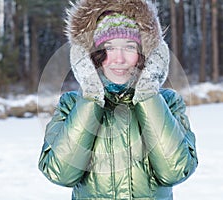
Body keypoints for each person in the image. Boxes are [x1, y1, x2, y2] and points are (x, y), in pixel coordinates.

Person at [38, 0, 198, 199]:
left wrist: (147, 93)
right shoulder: (71, 104)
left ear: (143, 54)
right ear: (93, 55)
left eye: (130, 47)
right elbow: (60, 173)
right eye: (109, 47)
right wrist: (91, 97)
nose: (119, 59)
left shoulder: (167, 102)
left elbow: (176, 170)